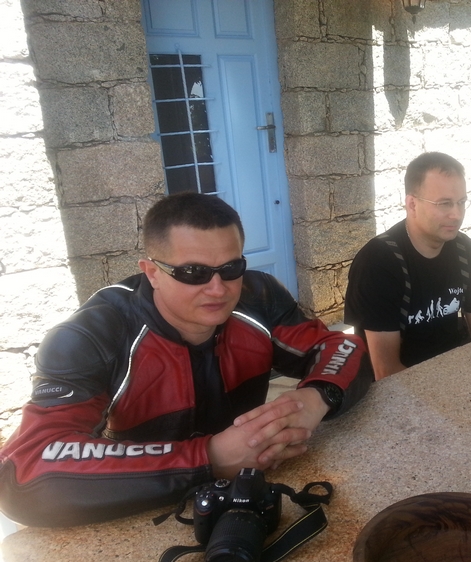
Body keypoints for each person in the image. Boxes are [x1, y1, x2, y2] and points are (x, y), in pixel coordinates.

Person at [0, 192, 371, 527]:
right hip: (137, 509)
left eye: (231, 268)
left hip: (246, 499)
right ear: (152, 273)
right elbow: (23, 468)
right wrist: (209, 457)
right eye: (193, 272)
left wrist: (316, 397)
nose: (218, 288)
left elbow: (344, 347)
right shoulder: (93, 336)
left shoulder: (258, 297)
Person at [344, 152, 471, 380]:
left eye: (462, 202)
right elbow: (386, 371)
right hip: (396, 386)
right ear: (412, 204)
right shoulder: (377, 263)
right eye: (444, 203)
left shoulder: (467, 251)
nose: (456, 214)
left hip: (453, 370)